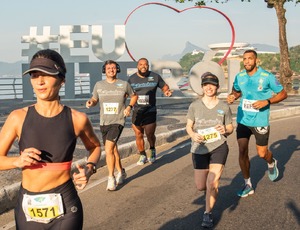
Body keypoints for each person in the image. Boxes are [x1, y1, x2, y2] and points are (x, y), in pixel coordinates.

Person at [0, 49, 101, 229]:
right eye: (34, 75)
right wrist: (17, 161)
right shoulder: (17, 118)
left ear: (62, 80)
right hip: (27, 208)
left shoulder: (77, 119)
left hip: (66, 205)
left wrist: (89, 168)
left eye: (47, 74)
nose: (40, 81)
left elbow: (95, 147)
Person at [227, 49, 287, 198]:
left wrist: (267, 101)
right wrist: (232, 97)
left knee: (262, 154)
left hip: (260, 120)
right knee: (242, 151)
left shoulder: (267, 76)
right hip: (243, 119)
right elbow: (236, 91)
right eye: (245, 59)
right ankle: (248, 184)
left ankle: (271, 162)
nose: (247, 61)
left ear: (256, 61)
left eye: (250, 59)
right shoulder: (239, 76)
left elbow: (283, 93)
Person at [186, 72, 233, 228]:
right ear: (202, 87)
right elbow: (188, 126)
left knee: (212, 183)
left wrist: (225, 129)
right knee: (201, 186)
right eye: (206, 85)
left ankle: (207, 213)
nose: (209, 87)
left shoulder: (224, 107)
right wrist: (193, 135)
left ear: (217, 87)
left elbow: (231, 127)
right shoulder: (194, 105)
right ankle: (208, 192)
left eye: (212, 85)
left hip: (219, 146)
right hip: (199, 148)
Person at [86, 60, 137, 191]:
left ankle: (111, 178)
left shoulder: (124, 84)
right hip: (104, 122)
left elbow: (134, 96)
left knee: (108, 150)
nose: (111, 70)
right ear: (104, 70)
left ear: (117, 69)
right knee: (113, 150)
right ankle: (121, 171)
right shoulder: (99, 85)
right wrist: (91, 102)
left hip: (118, 121)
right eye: (108, 68)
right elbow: (95, 99)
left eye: (113, 68)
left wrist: (129, 107)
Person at [128, 58, 172, 165]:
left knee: (149, 134)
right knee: (138, 134)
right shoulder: (131, 79)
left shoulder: (155, 76)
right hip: (137, 111)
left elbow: (164, 86)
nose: (143, 66)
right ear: (137, 66)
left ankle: (152, 149)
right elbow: (126, 92)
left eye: (146, 64)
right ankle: (142, 155)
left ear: (148, 66)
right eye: (141, 64)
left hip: (150, 109)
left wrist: (166, 91)